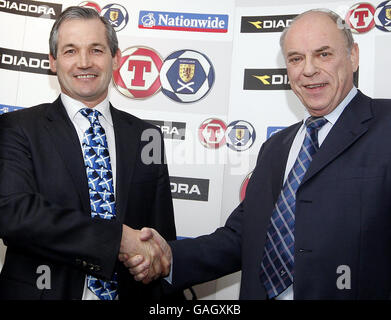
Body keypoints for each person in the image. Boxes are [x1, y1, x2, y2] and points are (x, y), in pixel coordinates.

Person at [121, 8, 391, 299]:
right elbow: (242, 237)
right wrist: (168, 257)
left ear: (353, 56)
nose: (309, 69)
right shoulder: (276, 147)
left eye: (324, 54)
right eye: (296, 58)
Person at [0, 6, 179, 300]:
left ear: (116, 58)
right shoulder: (16, 128)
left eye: (96, 50)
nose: (84, 62)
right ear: (53, 62)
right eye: (70, 51)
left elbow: (160, 233)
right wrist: (117, 239)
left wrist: (155, 262)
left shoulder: (148, 137)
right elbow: (14, 215)